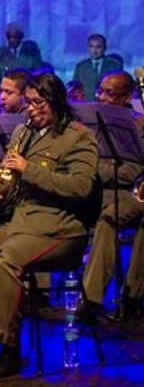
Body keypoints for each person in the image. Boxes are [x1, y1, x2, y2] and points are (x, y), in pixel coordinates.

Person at [0, 72, 99, 377]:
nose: (31, 109)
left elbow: (80, 187)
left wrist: (28, 170)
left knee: (5, 261)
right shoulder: (23, 134)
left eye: (38, 103)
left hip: (60, 227)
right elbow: (14, 184)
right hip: (20, 221)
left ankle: (7, 348)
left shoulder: (78, 136)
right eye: (28, 102)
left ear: (55, 101)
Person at [80, 71, 144, 318]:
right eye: (101, 91)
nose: (103, 98)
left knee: (108, 220)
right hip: (97, 190)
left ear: (127, 96)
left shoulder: (137, 125)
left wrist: (94, 169)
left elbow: (133, 170)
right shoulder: (91, 121)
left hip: (128, 193)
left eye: (111, 93)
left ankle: (92, 299)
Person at [72, 34, 122, 100]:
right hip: (86, 105)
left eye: (98, 47)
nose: (94, 50)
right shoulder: (80, 66)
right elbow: (75, 89)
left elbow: (119, 88)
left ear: (104, 48)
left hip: (107, 105)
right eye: (91, 46)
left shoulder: (115, 65)